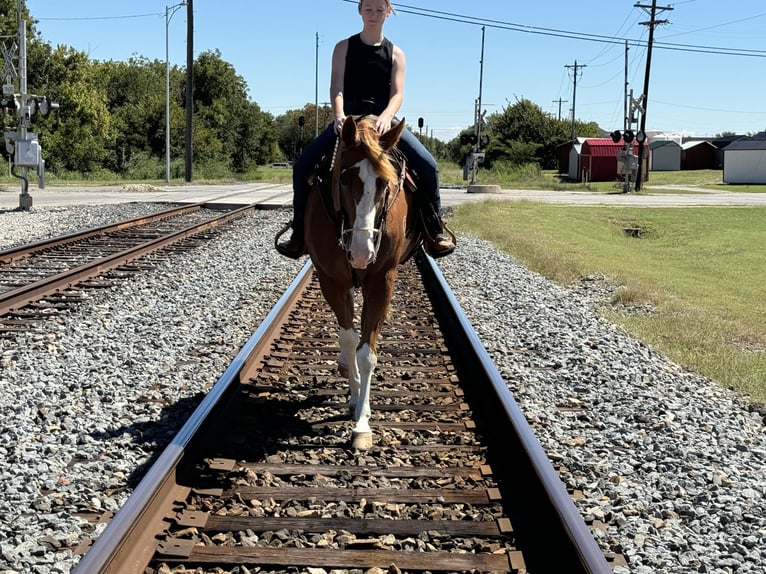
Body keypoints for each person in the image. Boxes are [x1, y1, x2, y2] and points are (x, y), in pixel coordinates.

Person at [276, 0, 455, 259]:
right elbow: (336, 87)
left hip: (384, 122)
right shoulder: (343, 47)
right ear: (360, 10)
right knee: (303, 165)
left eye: (379, 9)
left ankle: (434, 230)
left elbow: (398, 93)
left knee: (428, 165)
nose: (374, 14)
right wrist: (339, 115)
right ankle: (298, 232)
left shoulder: (396, 53)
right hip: (348, 122)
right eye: (369, 8)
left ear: (388, 12)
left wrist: (386, 116)